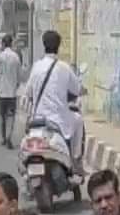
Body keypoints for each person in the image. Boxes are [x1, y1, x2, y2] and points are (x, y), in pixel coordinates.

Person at [25, 30, 84, 169]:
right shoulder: (64, 68)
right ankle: (76, 160)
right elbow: (77, 90)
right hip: (58, 122)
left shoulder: (36, 66)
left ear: (44, 44)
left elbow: (28, 92)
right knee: (78, 120)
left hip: (37, 121)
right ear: (59, 45)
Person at [0, 34, 22, 148]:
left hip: (2, 92)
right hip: (12, 93)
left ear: (3, 44)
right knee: (11, 117)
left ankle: (3, 138)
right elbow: (19, 75)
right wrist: (17, 84)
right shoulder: (16, 57)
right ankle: (8, 137)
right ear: (11, 44)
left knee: (2, 117)